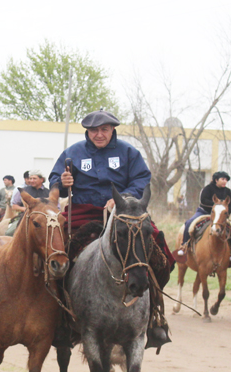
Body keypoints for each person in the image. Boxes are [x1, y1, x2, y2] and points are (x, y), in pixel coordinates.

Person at [49, 109, 172, 351]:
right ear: (87, 131)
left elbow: (142, 180)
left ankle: (154, 313)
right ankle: (60, 315)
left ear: (112, 129)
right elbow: (55, 181)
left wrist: (123, 198)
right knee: (55, 250)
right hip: (82, 211)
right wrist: (62, 183)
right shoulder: (73, 153)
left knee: (158, 245)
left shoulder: (128, 152)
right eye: (94, 130)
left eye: (104, 129)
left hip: (123, 211)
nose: (99, 134)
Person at [176, 171, 231, 267]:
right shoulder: (208, 189)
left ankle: (230, 251)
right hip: (204, 212)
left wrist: (224, 215)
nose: (225, 181)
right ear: (216, 180)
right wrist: (216, 207)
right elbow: (203, 200)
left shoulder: (228, 191)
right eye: (223, 179)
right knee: (189, 223)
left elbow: (230, 206)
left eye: (226, 180)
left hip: (220, 217)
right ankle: (184, 246)